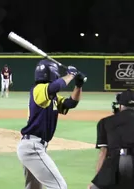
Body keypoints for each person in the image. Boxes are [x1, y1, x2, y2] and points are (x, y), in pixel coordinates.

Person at [17, 59, 85, 189]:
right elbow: (55, 87)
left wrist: (78, 85)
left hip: (33, 146)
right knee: (59, 186)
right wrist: (70, 74)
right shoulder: (38, 89)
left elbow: (70, 103)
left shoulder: (51, 97)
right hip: (33, 147)